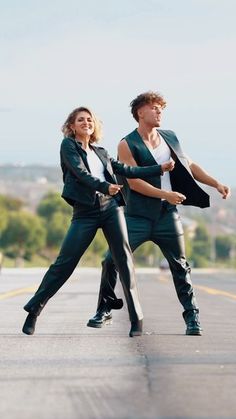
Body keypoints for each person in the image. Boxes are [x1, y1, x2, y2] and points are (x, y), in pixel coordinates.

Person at [22, 106, 174, 337]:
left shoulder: (101, 151)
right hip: (86, 212)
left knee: (124, 260)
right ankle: (35, 308)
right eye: (80, 120)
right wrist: (106, 186)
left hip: (111, 208)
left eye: (89, 120)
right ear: (72, 126)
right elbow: (81, 173)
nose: (86, 123)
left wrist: (158, 168)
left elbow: (125, 169)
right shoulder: (68, 146)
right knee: (65, 262)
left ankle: (137, 320)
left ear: (94, 125)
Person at [87, 91, 230, 336]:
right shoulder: (126, 143)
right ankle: (104, 309)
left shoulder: (169, 137)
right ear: (140, 113)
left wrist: (215, 183)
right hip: (137, 216)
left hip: (167, 215)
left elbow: (190, 165)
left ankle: (192, 318)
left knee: (180, 266)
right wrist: (167, 194)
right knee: (111, 260)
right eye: (154, 108)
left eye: (161, 108)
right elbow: (134, 182)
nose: (159, 112)